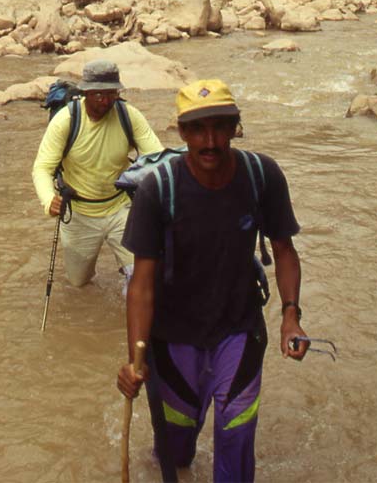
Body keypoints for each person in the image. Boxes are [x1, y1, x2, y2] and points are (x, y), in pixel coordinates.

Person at [116, 79, 308, 483]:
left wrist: (290, 315)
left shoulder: (262, 176)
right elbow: (143, 283)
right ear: (182, 132)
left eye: (221, 127)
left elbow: (285, 251)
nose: (210, 141)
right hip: (173, 336)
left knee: (236, 438)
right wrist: (135, 359)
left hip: (238, 329)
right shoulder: (158, 190)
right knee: (177, 449)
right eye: (198, 130)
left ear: (235, 128)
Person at [31, 60, 163, 288]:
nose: (105, 100)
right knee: (78, 284)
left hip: (122, 208)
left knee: (145, 277)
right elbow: (42, 168)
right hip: (79, 213)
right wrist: (49, 200)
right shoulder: (66, 121)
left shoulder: (129, 116)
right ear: (86, 92)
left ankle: (129, 281)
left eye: (111, 93)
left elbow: (158, 159)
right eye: (98, 94)